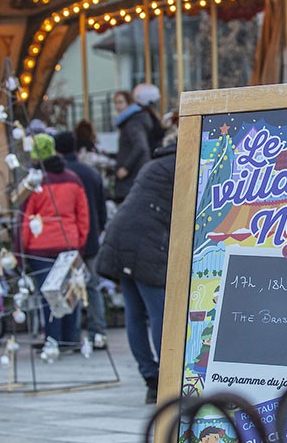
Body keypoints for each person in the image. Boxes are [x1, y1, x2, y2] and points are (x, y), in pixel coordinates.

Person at [97, 132, 177, 403]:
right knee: (158, 312)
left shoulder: (152, 165)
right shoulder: (183, 164)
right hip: (147, 243)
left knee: (135, 314)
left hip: (119, 238)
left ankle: (150, 377)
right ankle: (166, 378)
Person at [20, 133, 90, 354]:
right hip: (68, 244)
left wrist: (22, 248)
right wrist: (79, 243)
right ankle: (70, 340)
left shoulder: (36, 184)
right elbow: (83, 215)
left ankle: (52, 340)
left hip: (40, 247)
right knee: (70, 293)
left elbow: (26, 219)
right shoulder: (73, 179)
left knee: (48, 296)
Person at [54, 130, 108, 349]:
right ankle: (98, 332)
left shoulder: (60, 175)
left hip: (68, 239)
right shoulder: (90, 173)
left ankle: (72, 334)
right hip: (91, 239)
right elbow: (102, 207)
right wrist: (97, 229)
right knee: (92, 286)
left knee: (70, 287)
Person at [111, 85, 163, 202]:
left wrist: (125, 168)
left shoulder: (132, 123)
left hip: (131, 178)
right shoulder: (133, 121)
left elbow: (140, 146)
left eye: (120, 102)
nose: (117, 107)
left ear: (129, 103)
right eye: (116, 103)